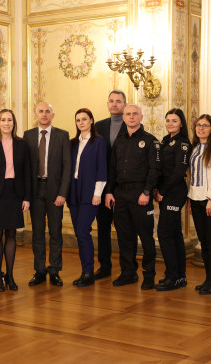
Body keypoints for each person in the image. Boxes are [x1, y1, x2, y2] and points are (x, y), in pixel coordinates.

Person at [105, 104, 160, 290]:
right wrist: (110, 191)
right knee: (124, 237)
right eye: (128, 114)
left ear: (141, 117)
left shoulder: (150, 141)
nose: (131, 117)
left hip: (141, 195)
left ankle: (149, 275)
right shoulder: (119, 141)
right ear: (124, 117)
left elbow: (154, 170)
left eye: (134, 114)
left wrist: (146, 193)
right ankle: (128, 273)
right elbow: (112, 168)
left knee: (145, 237)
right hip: (120, 194)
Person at [0, 109, 31, 292]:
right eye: (3, 120)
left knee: (11, 234)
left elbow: (27, 172)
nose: (6, 123)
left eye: (9, 120)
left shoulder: (21, 144)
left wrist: (27, 197)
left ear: (14, 123)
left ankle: (10, 276)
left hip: (15, 194)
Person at [24, 102, 71, 287]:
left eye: (47, 111)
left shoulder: (62, 135)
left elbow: (67, 167)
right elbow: (23, 167)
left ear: (53, 114)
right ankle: (40, 270)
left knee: (55, 232)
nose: (44, 114)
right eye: (41, 111)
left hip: (55, 192)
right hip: (35, 190)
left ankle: (54, 271)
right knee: (37, 233)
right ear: (35, 114)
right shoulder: (27, 136)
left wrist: (62, 193)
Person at [187, 114, 211, 295]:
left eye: (205, 125)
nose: (201, 128)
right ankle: (207, 279)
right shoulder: (194, 148)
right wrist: (189, 199)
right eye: (198, 125)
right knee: (203, 241)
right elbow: (192, 177)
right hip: (195, 200)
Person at [68, 108, 107, 287]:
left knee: (83, 231)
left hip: (90, 193)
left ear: (91, 120)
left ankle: (88, 272)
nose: (81, 122)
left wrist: (97, 193)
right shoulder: (73, 143)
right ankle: (85, 270)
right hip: (74, 191)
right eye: (78, 120)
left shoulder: (98, 141)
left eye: (84, 119)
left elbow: (101, 168)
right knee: (79, 233)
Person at [154, 109, 192, 291]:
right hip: (166, 192)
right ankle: (180, 277)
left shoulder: (183, 143)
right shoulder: (166, 141)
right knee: (175, 234)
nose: (170, 123)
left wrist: (162, 190)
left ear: (181, 123)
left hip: (174, 193)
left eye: (174, 121)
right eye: (168, 120)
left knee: (165, 233)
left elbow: (179, 172)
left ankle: (172, 276)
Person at [93, 90, 127, 280]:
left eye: (118, 101)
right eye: (112, 101)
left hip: (122, 186)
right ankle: (104, 266)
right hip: (103, 185)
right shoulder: (98, 126)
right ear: (107, 104)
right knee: (103, 227)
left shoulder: (131, 124)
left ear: (124, 104)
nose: (115, 104)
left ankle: (126, 267)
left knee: (123, 228)